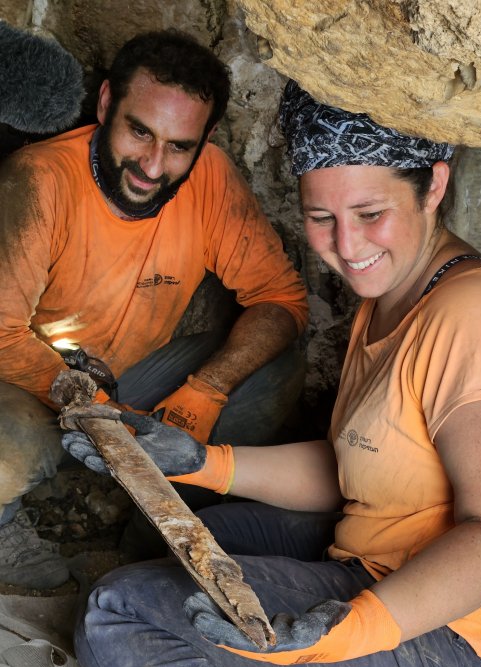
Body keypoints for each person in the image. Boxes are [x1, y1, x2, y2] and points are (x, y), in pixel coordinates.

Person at [64, 80, 481, 667]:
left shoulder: (474, 314)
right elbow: (356, 466)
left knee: (119, 612)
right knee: (179, 535)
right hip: (370, 552)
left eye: (370, 214)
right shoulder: (393, 291)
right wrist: (197, 462)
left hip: (470, 639)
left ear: (434, 187)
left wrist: (347, 635)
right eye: (320, 218)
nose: (347, 246)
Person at [0, 33, 308, 590]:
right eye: (139, 131)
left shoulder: (210, 176)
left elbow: (282, 300)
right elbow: (0, 336)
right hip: (32, 383)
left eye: (179, 146)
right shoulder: (39, 178)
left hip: (135, 382)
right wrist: (91, 405)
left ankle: (154, 538)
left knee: (276, 365)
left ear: (205, 140)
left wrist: (206, 390)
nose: (152, 164)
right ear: (105, 105)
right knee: (3, 456)